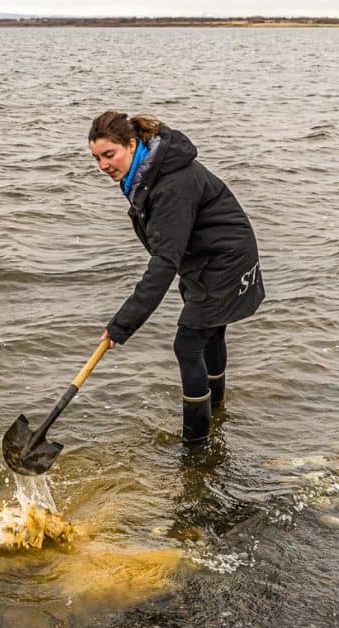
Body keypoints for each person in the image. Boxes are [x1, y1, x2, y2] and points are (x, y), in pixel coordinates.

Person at [88, 111, 265, 445]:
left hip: (224, 261)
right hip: (208, 256)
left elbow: (163, 263)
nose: (103, 165)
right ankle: (216, 413)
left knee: (188, 344)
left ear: (131, 144)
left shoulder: (169, 184)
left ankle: (196, 447)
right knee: (209, 334)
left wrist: (123, 324)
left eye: (109, 154)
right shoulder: (149, 172)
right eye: (96, 158)